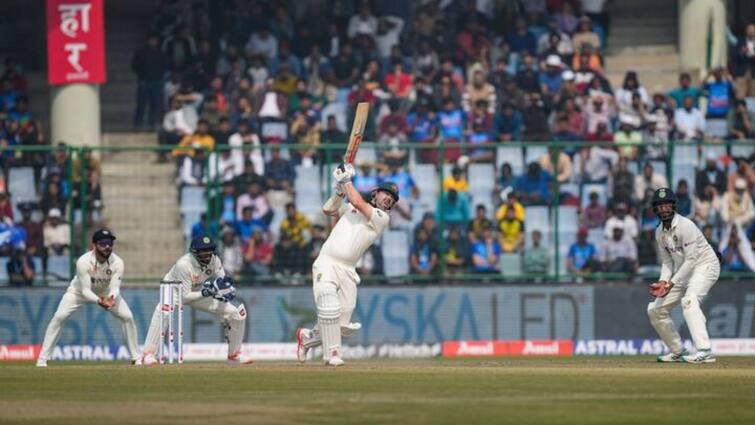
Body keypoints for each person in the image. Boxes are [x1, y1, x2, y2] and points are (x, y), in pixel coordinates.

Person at [296, 167, 397, 366]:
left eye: (392, 200)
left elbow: (358, 202)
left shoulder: (382, 218)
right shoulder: (351, 207)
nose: (389, 199)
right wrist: (339, 192)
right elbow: (328, 210)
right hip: (327, 262)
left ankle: (306, 338)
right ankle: (332, 355)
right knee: (329, 306)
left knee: (340, 326)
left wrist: (346, 180)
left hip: (348, 270)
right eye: (387, 194)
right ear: (376, 192)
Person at [139, 235, 252, 365]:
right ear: (195, 252)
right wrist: (208, 291)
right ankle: (148, 354)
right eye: (203, 251)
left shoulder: (215, 261)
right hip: (173, 289)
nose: (207, 254)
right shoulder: (184, 265)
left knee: (236, 313)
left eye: (209, 250)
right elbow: (184, 296)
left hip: (198, 290)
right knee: (163, 313)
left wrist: (227, 290)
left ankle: (234, 355)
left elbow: (222, 282)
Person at [36, 230, 138, 367]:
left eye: (110, 243)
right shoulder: (83, 262)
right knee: (59, 317)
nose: (107, 247)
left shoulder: (118, 262)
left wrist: (111, 298)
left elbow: (115, 287)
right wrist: (99, 301)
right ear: (94, 245)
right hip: (78, 292)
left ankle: (135, 358)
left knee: (128, 317)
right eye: (103, 244)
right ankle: (43, 358)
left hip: (107, 292)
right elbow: (85, 291)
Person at [647, 188, 721, 364]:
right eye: (660, 206)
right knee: (655, 310)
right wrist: (663, 282)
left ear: (674, 207)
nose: (664, 209)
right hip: (683, 272)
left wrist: (670, 283)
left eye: (667, 205)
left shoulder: (685, 225)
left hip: (705, 266)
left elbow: (691, 260)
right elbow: (667, 263)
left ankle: (705, 351)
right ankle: (678, 351)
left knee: (689, 300)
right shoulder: (659, 233)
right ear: (655, 209)